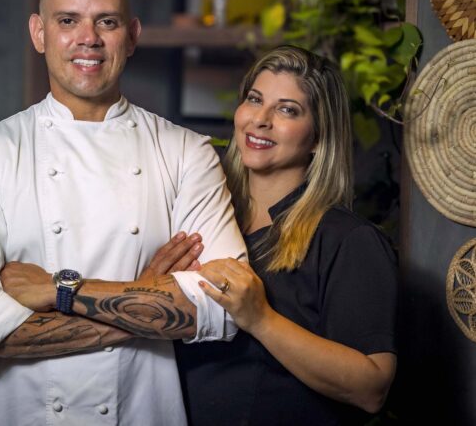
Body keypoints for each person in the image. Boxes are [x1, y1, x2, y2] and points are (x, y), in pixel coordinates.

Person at [0, 0, 245, 426]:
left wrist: (59, 290)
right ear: (39, 33)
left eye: (108, 22)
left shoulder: (185, 152)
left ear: (132, 36)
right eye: (67, 20)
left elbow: (227, 303)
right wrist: (151, 294)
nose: (88, 38)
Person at [170, 45, 398, 425]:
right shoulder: (201, 218)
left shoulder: (347, 239)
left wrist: (261, 319)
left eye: (287, 109)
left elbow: (371, 387)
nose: (260, 119)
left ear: (318, 138)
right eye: (255, 100)